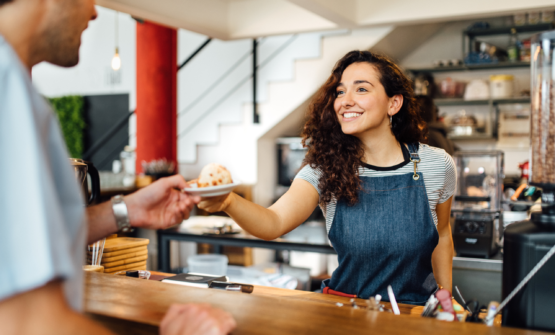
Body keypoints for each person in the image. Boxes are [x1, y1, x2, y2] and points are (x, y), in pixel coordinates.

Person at [0, 0, 236, 334]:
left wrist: (127, 209)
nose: (94, 12)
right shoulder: (7, 89)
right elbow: (27, 322)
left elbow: (20, 242)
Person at [200, 51, 456, 305]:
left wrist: (446, 298)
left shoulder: (436, 164)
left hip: (415, 314)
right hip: (347, 311)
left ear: (394, 103)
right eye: (340, 92)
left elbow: (442, 235)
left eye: (362, 90)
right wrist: (228, 202)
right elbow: (274, 222)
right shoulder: (326, 169)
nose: (345, 101)